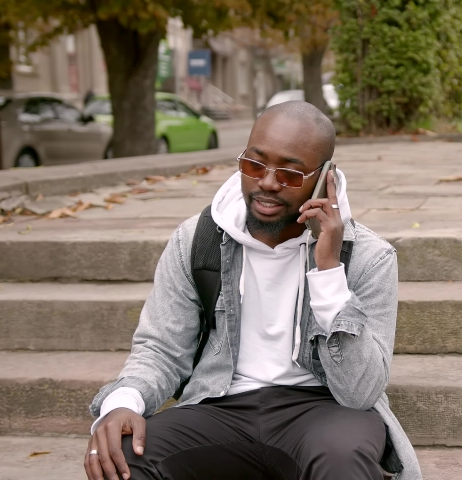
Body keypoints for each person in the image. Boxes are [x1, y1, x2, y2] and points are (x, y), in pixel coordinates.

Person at [84, 100, 421, 480]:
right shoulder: (198, 241)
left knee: (342, 459)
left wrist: (328, 272)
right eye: (254, 165)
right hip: (221, 405)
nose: (267, 183)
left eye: (291, 174)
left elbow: (361, 393)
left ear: (325, 175)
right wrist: (124, 401)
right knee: (122, 458)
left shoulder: (368, 257)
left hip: (324, 410)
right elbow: (162, 349)